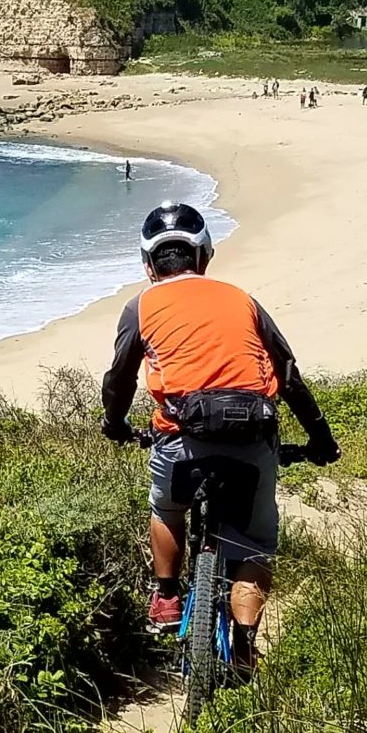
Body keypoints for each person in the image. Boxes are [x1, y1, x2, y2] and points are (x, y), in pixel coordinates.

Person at [99, 201, 338, 675]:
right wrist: (320, 440)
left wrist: (115, 423)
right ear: (204, 255)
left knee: (167, 507)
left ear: (149, 264)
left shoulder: (140, 305)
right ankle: (245, 645)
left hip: (180, 441)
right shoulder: (242, 300)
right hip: (253, 439)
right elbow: (288, 377)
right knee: (253, 543)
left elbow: (120, 377)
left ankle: (167, 597)